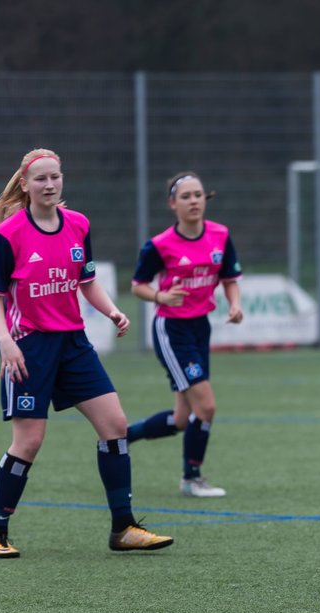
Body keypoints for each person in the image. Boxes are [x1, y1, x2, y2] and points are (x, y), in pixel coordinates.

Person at [0, 148, 173, 557]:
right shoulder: (8, 234)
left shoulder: (78, 224)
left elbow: (86, 280)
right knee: (28, 441)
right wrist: (4, 341)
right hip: (28, 347)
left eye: (55, 176)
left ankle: (123, 527)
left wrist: (111, 310)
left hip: (73, 344)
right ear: (25, 184)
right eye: (40, 178)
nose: (49, 184)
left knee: (115, 425)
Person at [124, 172, 244, 498]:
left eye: (199, 195)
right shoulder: (159, 245)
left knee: (180, 419)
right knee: (205, 407)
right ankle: (192, 478)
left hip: (199, 327)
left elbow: (230, 278)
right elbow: (138, 287)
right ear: (172, 204)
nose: (194, 201)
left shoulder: (220, 235)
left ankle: (121, 437)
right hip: (171, 330)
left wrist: (234, 305)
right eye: (187, 196)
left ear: (206, 199)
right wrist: (160, 297)